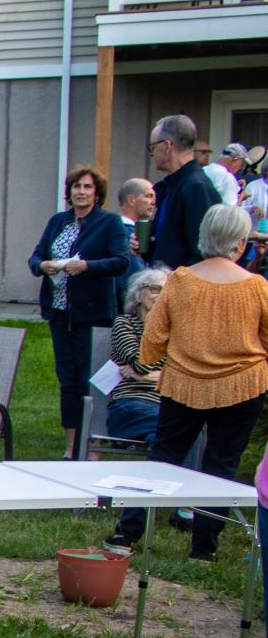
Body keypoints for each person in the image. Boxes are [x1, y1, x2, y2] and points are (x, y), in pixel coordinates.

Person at [105, 205, 268, 560]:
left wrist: (149, 361)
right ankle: (203, 549)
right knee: (221, 466)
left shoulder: (179, 280)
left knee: (162, 458)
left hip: (183, 383)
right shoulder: (257, 287)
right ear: (241, 244)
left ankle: (127, 534)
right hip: (243, 386)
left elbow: (154, 337)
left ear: (203, 236)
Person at [27, 163, 129, 458]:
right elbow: (36, 255)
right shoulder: (58, 221)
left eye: (87, 187)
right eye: (76, 187)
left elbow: (120, 261)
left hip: (93, 314)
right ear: (68, 192)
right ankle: (71, 446)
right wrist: (41, 266)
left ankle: (92, 445)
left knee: (90, 380)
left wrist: (87, 266)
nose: (81, 192)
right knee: (68, 380)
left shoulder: (109, 223)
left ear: (97, 194)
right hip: (60, 312)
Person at [105, 267, 169, 445]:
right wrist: (154, 326)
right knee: (170, 430)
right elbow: (142, 363)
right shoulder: (125, 323)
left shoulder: (177, 332)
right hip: (132, 403)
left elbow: (182, 375)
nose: (162, 296)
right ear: (138, 294)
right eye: (155, 289)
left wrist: (143, 377)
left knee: (172, 432)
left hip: (166, 405)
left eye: (168, 291)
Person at [149, 115, 221, 269]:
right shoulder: (171, 187)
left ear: (167, 146)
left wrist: (178, 284)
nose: (152, 154)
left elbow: (204, 254)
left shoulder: (196, 188)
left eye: (152, 147)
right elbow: (172, 246)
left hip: (183, 289)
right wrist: (148, 247)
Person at [116, 177, 155, 306]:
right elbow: (134, 277)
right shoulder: (122, 232)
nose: (153, 202)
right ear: (131, 200)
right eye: (148, 196)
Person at [208, 141, 245, 207]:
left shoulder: (204, 169)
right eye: (242, 163)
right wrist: (241, 197)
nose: (241, 168)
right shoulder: (228, 178)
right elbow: (230, 212)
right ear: (234, 160)